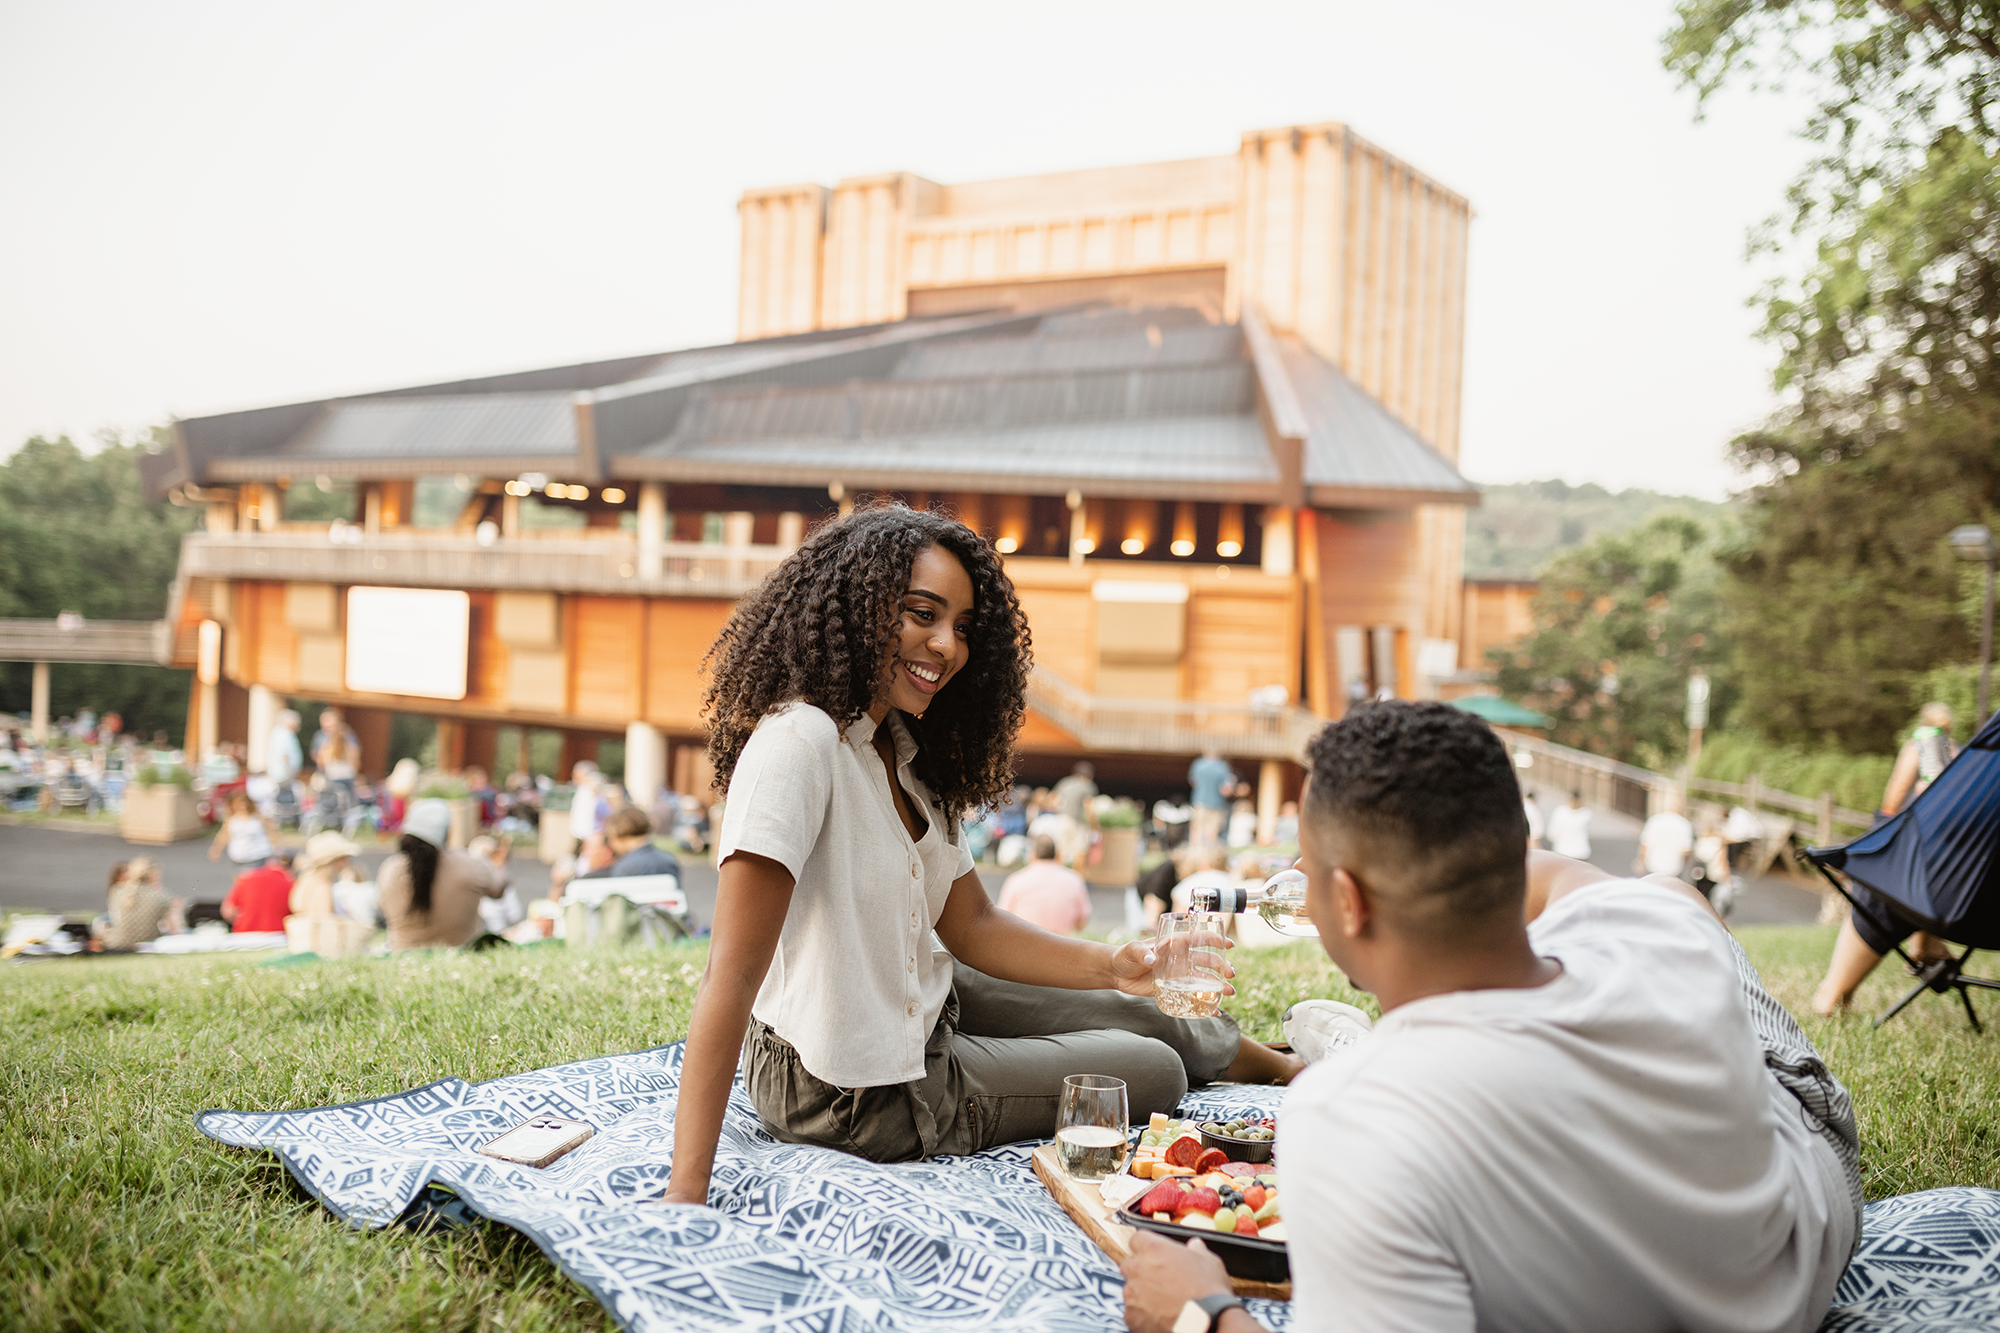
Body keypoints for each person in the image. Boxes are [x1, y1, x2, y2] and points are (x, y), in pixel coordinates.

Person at [1122, 702, 1861, 1333]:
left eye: (1308, 870)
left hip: (1773, 1221)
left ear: (1345, 900)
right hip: (1806, 1226)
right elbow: (1550, 875)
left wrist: (1202, 1312)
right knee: (1674, 897)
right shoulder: (1647, 925)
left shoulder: (1350, 1117)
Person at [664, 506, 1301, 1207]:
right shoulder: (798, 743)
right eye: (922, 614)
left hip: (923, 1000)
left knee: (1142, 1008)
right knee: (1153, 1068)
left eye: (963, 627)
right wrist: (685, 1196)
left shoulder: (903, 750)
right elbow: (731, 973)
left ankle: (1291, 1068)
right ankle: (1269, 1065)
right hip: (853, 1089)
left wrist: (1113, 967)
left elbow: (972, 925)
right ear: (853, 608)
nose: (946, 645)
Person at [1812, 702, 1961, 1014]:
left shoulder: (1918, 747)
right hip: (1964, 895)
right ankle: (1926, 942)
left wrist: (1885, 825)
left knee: (1886, 876)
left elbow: (1894, 796)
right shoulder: (1961, 754)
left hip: (1918, 870)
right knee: (1932, 865)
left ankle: (1832, 994)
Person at [378, 797, 510, 950]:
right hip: (462, 952)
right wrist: (495, 861)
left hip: (403, 954)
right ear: (447, 831)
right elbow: (498, 889)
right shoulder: (469, 865)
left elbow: (381, 907)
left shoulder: (389, 869)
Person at [995, 834, 1092, 935]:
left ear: (1033, 854)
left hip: (1025, 940)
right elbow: (1082, 922)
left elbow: (1002, 919)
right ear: (1057, 854)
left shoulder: (1016, 880)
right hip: (1061, 940)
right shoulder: (1074, 880)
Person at [93, 857, 185, 950]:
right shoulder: (161, 895)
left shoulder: (117, 891)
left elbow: (115, 918)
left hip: (117, 942)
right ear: (154, 874)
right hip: (147, 942)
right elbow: (175, 931)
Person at [222, 852, 295, 933]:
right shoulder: (290, 883)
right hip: (278, 934)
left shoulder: (247, 878)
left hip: (245, 934)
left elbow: (228, 911)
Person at [1637, 789, 1695, 879]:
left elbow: (1645, 844)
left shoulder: (1655, 821)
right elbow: (1686, 850)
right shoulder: (1684, 825)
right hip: (1674, 868)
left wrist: (1641, 860)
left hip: (1653, 865)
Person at [209, 789, 275, 868]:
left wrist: (277, 847)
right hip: (239, 857)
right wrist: (216, 849)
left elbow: (271, 831)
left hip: (258, 855)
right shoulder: (232, 820)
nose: (241, 806)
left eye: (243, 803)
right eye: (238, 804)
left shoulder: (257, 818)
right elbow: (224, 835)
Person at [1051, 761, 1098, 866]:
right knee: (1079, 852)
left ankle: (1060, 874)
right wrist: (1094, 826)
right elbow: (1089, 807)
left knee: (1061, 851)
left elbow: (1053, 799)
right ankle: (1078, 876)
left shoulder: (1065, 783)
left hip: (1062, 819)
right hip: (1078, 823)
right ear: (1089, 775)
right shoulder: (1087, 785)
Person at [1187, 749, 1234, 850]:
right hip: (1216, 804)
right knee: (1212, 830)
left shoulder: (1198, 764)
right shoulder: (1223, 767)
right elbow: (1226, 790)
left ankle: (1195, 851)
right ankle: (1210, 853)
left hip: (1199, 802)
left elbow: (1193, 782)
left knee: (1197, 828)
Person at [1546, 788, 1592, 860]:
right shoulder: (1586, 814)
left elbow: (1552, 834)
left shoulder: (1560, 811)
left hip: (1562, 851)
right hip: (1581, 852)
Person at [267, 709, 303, 786]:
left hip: (282, 776)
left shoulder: (279, 732)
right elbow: (284, 755)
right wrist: (291, 772)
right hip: (284, 777)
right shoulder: (284, 733)